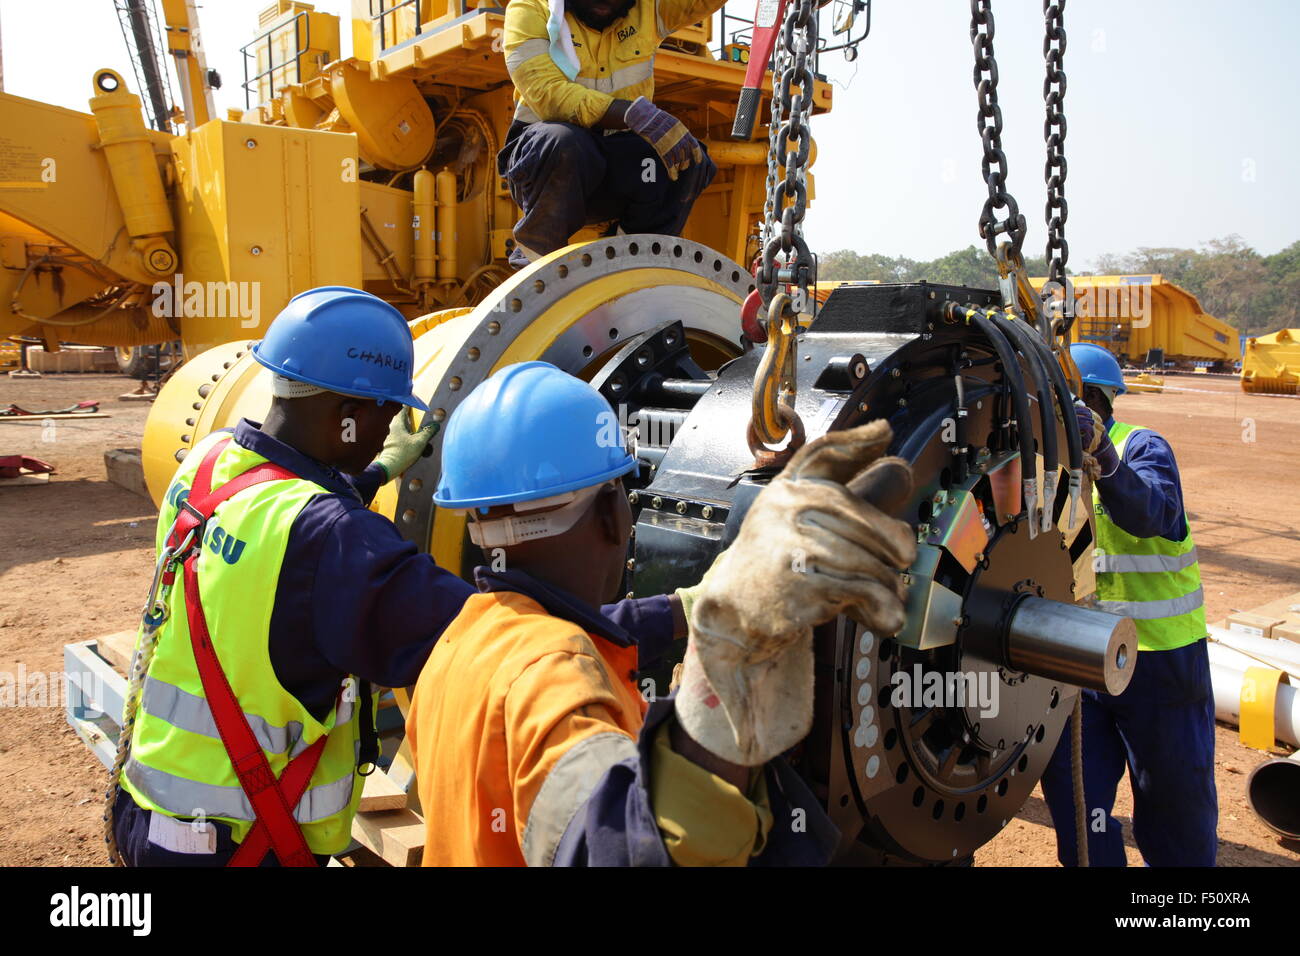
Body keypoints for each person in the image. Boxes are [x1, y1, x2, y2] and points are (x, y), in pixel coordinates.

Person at [108, 287, 683, 866]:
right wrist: (682, 613)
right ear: (347, 417)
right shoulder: (335, 542)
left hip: (148, 801)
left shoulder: (207, 464)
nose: (390, 427)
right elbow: (500, 642)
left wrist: (378, 472)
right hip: (232, 845)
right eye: (387, 411)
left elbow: (279, 523)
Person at [406, 361, 917, 866]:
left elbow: (595, 632)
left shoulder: (458, 644)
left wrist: (688, 607)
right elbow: (628, 847)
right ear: (613, 515)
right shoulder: (558, 687)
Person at [1040, 342, 1217, 867]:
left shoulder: (1141, 447)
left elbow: (1154, 515)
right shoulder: (1044, 461)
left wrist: (1108, 463)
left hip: (1161, 664)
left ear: (1090, 398)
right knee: (1080, 806)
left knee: (1174, 807)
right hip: (1080, 669)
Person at [498, 0, 723, 265]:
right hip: (545, 164)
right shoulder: (531, 8)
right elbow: (546, 91)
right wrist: (632, 113)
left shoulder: (651, 9)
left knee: (686, 160)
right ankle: (537, 255)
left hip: (615, 161)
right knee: (566, 143)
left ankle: (630, 263)